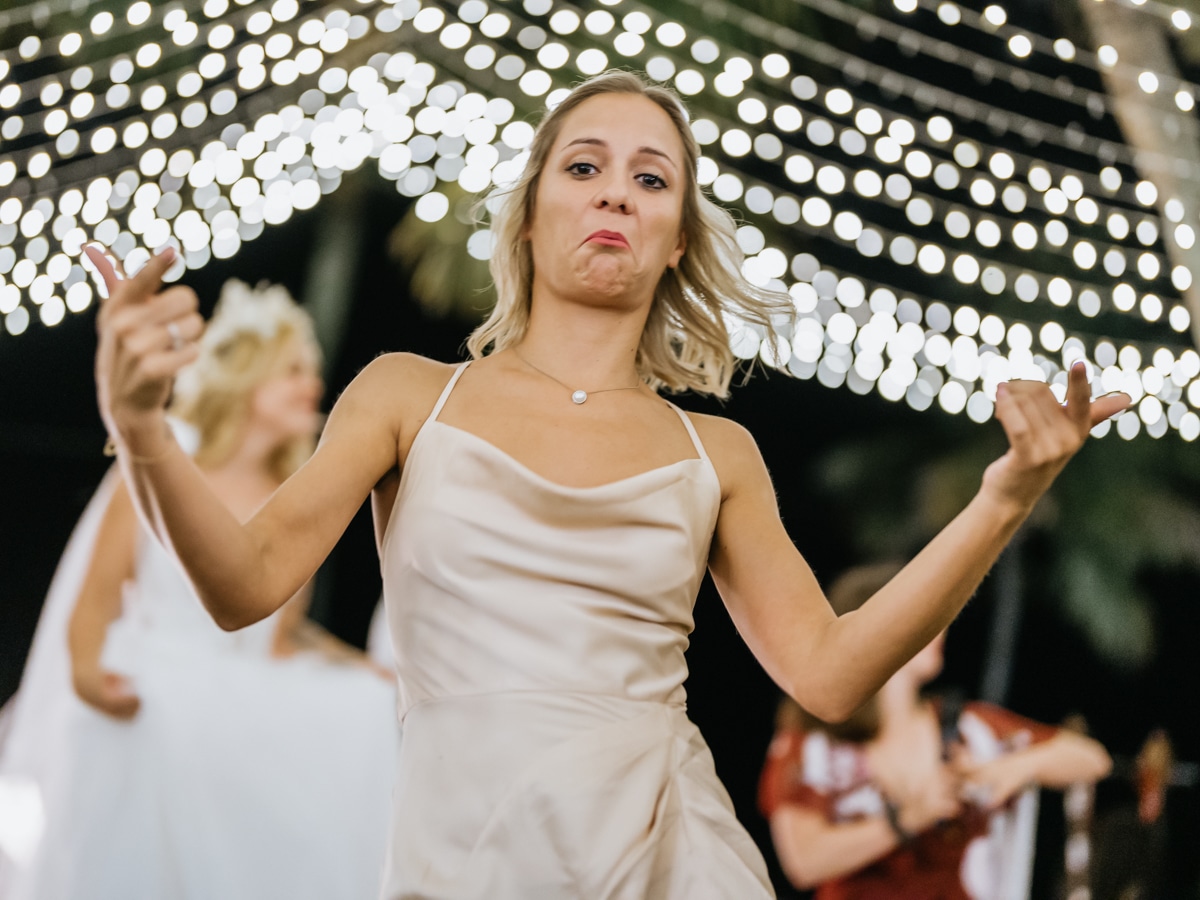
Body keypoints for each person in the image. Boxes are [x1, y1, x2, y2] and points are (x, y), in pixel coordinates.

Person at [83, 70, 1129, 899]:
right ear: (530, 215)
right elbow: (243, 585)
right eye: (584, 166)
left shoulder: (717, 454)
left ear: (676, 244)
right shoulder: (408, 396)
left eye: (652, 179)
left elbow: (830, 674)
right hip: (464, 852)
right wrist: (141, 428)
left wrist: (1003, 500)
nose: (617, 192)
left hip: (668, 854)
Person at [0, 280, 397, 900]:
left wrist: (360, 665)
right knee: (173, 725)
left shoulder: (293, 492)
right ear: (248, 376)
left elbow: (284, 634)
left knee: (368, 706)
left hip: (247, 683)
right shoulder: (168, 462)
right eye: (294, 371)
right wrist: (86, 676)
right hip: (162, 673)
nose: (314, 386)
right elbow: (96, 596)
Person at [758, 563, 1112, 898]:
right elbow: (804, 862)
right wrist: (909, 817)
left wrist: (1011, 768)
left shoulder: (969, 727)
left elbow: (1092, 759)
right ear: (869, 631)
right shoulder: (814, 742)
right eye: (922, 612)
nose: (940, 625)